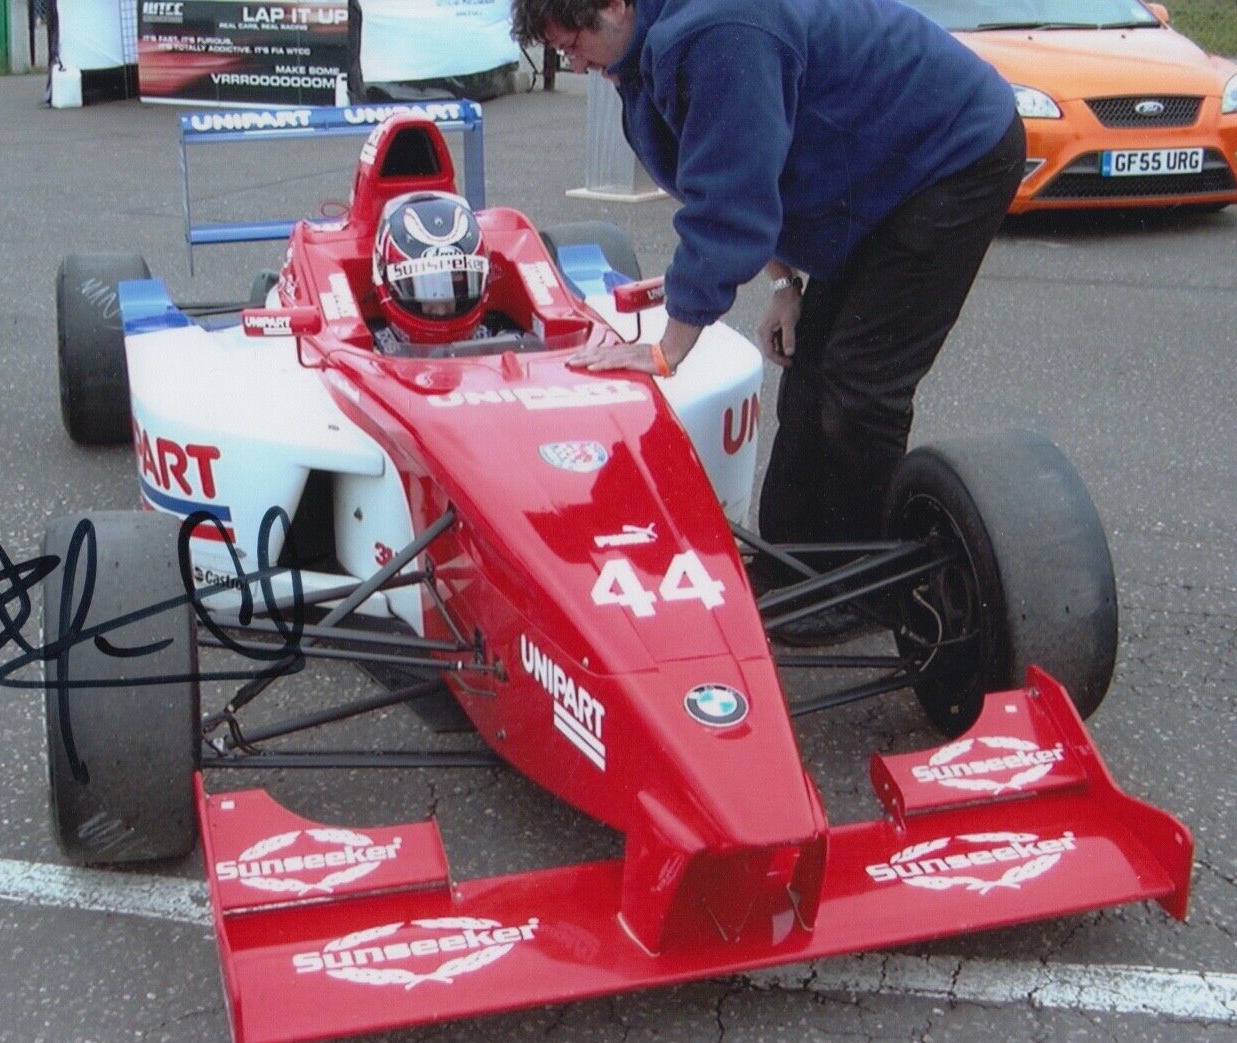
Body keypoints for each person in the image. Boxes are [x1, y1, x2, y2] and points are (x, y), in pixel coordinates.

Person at [511, 0, 1026, 642]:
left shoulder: (721, 32)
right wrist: (784, 284)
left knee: (861, 387)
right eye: (561, 53)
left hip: (950, 156)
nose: (575, 61)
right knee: (811, 370)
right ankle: (793, 566)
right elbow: (752, 163)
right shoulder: (644, 52)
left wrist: (669, 345)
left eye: (578, 43)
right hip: (871, 167)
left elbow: (734, 199)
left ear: (617, 5)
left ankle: (868, 589)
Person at [370, 190, 515, 354]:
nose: (441, 310)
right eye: (430, 290)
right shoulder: (365, 354)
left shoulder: (496, 338)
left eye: (456, 287)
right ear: (388, 285)